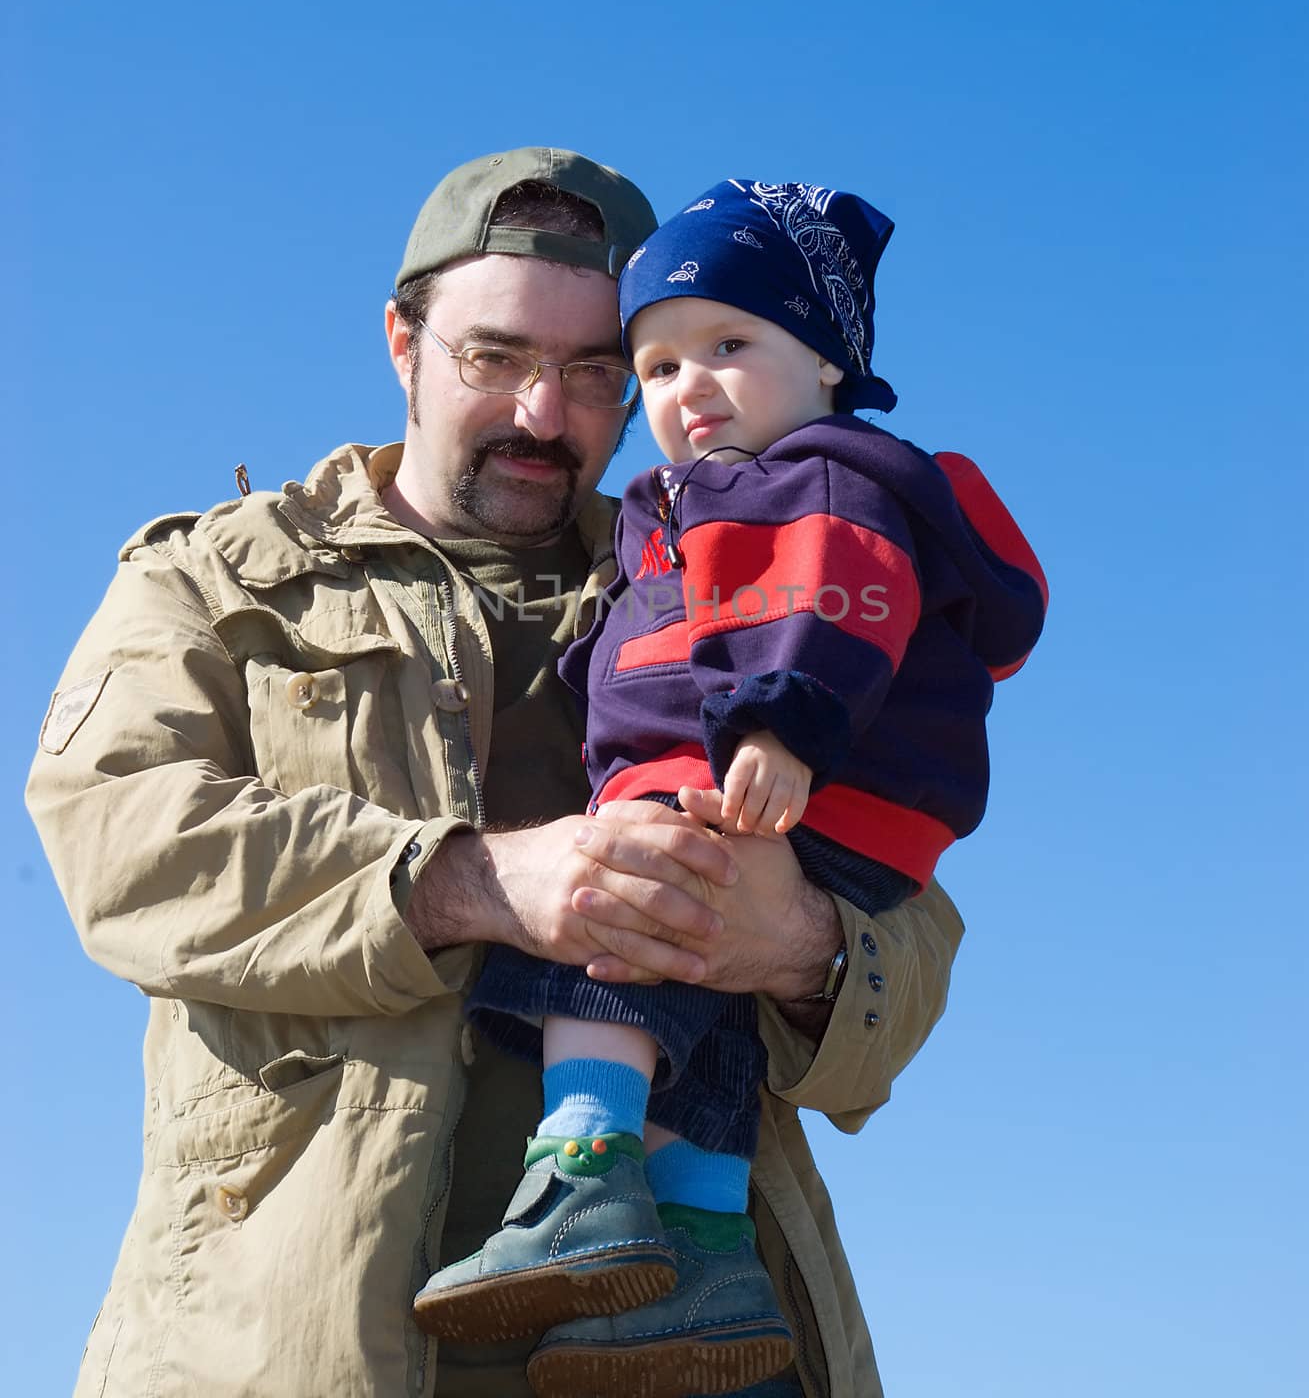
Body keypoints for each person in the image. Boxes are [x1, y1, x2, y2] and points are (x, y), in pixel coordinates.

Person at [27, 148, 965, 1398]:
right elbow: (120, 841)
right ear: (402, 342)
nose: (543, 413)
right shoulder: (212, 582)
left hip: (704, 1346)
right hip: (289, 1348)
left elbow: (911, 945)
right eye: (497, 357)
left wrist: (794, 942)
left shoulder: (757, 576)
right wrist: (474, 882)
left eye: (592, 374)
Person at [414, 179, 1047, 1397]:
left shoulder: (809, 477)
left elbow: (825, 603)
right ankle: (703, 1250)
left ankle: (586, 1165)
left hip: (767, 782)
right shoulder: (700, 503)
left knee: (603, 911)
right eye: (652, 367)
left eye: (726, 345)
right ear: (407, 341)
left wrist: (783, 732)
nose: (684, 387)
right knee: (697, 1012)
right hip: (819, 808)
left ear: (825, 359)